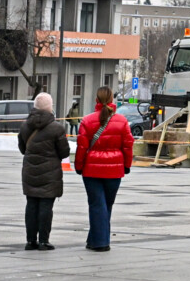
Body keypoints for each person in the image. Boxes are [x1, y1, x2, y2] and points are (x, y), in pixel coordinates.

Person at [74, 86, 134, 252]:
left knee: (96, 204)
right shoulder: (122, 121)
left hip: (92, 170)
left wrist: (79, 166)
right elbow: (128, 146)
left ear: (96, 100)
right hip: (114, 169)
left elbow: (81, 147)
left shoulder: (87, 121)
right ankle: (96, 239)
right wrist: (127, 165)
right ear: (112, 100)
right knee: (106, 205)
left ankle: (100, 242)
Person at [17, 92, 68, 250]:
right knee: (46, 207)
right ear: (50, 107)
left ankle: (30, 240)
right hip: (50, 173)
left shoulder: (25, 126)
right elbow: (64, 152)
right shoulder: (57, 128)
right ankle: (44, 241)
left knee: (31, 205)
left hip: (30, 172)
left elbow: (22, 149)